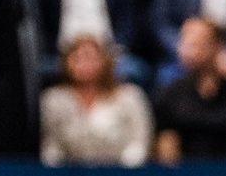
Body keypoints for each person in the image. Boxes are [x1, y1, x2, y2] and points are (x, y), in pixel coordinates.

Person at [40, 33, 154, 166]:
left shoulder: (130, 97)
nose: (84, 64)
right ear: (67, 62)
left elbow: (139, 143)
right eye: (77, 57)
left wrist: (123, 174)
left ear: (104, 61)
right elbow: (51, 147)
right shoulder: (53, 100)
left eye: (90, 57)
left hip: (121, 175)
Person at [152, 18, 226, 162]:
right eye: (185, 42)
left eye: (197, 43)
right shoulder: (170, 95)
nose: (189, 50)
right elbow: (167, 153)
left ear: (217, 46)